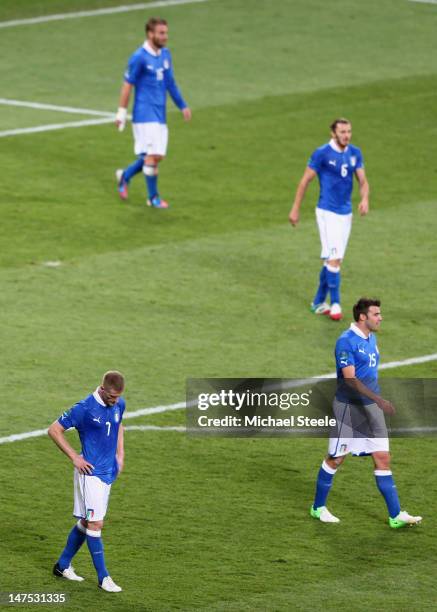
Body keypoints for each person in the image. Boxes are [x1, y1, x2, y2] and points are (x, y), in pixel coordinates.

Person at [310, 298, 422, 528]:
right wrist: (378, 399)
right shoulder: (346, 342)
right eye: (376, 314)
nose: (380, 317)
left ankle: (395, 515)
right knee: (336, 458)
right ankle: (318, 508)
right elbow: (350, 379)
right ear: (363, 317)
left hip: (371, 410)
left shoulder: (372, 338)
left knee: (382, 458)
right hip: (349, 409)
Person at [48, 371, 126, 592]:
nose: (115, 401)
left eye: (118, 397)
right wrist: (75, 457)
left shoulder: (119, 404)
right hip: (89, 475)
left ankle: (62, 566)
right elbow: (54, 430)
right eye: (111, 397)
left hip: (107, 473)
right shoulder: (84, 408)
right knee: (95, 523)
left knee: (86, 521)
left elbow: (119, 425)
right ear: (102, 389)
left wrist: (120, 455)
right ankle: (104, 578)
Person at [289, 119, 369, 321]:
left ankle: (317, 302)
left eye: (349, 131)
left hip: (346, 214)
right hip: (327, 212)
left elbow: (363, 181)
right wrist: (295, 208)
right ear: (333, 133)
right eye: (342, 132)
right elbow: (305, 181)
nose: (346, 135)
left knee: (334, 260)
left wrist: (365, 198)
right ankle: (335, 303)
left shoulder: (354, 153)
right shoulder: (322, 153)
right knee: (333, 259)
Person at [115, 17, 192, 208]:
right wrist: (121, 113)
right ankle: (153, 198)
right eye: (161, 33)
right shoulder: (139, 57)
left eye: (166, 33)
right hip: (144, 113)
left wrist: (182, 105)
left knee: (155, 157)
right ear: (150, 34)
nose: (165, 36)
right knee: (151, 157)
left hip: (160, 114)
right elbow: (127, 85)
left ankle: (125, 176)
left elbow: (170, 83)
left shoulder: (165, 55)